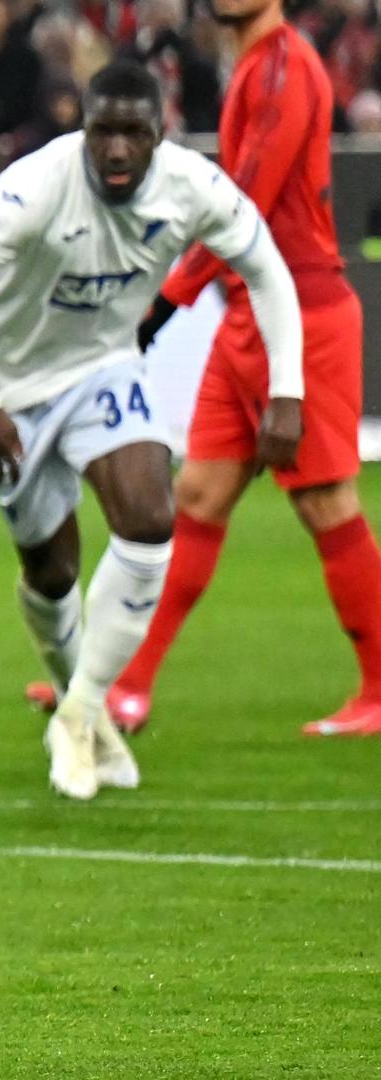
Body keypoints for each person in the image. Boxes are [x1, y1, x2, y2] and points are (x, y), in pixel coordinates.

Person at [0, 61, 303, 800]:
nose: (116, 149)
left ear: (160, 135)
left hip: (103, 370)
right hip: (12, 392)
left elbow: (269, 271)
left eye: (133, 133)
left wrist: (288, 392)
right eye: (102, 132)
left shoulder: (192, 187)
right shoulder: (36, 186)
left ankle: (79, 712)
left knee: (151, 518)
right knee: (51, 572)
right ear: (82, 130)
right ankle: (86, 714)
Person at [102, 0, 381, 736]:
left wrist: (164, 304)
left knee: (326, 503)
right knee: (195, 495)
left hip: (303, 318)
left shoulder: (286, 67)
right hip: (244, 315)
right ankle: (126, 685)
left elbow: (242, 207)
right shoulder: (256, 63)